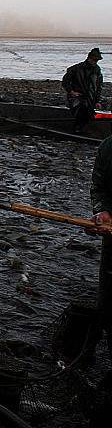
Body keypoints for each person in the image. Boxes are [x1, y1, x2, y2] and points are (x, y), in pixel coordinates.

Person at [91, 134, 112, 366]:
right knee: (107, 307)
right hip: (111, 237)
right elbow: (99, 187)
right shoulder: (108, 147)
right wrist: (102, 210)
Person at [62, 47, 103, 134]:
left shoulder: (97, 70)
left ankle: (81, 129)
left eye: (97, 60)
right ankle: (77, 130)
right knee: (82, 111)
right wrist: (71, 92)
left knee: (90, 113)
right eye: (94, 60)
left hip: (90, 99)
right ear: (89, 58)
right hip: (76, 97)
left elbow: (99, 87)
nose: (95, 62)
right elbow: (65, 82)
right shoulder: (75, 69)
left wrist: (97, 101)